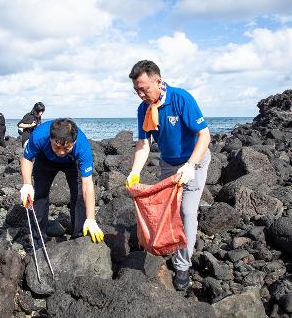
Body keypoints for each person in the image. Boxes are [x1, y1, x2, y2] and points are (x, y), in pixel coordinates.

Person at [125, 60, 211, 291]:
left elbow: (204, 135)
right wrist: (135, 171)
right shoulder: (144, 109)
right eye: (137, 90)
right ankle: (171, 242)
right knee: (169, 210)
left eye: (145, 88)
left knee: (186, 211)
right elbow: (144, 143)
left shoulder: (181, 98)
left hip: (195, 160)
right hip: (169, 164)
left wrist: (191, 164)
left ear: (158, 81)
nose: (141, 94)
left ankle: (183, 265)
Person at [20, 118, 104, 246]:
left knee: (79, 195)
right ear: (50, 139)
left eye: (66, 147)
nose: (61, 152)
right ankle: (38, 240)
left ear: (74, 142)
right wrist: (27, 184)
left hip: (72, 161)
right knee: (40, 195)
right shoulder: (39, 135)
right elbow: (27, 158)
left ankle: (79, 236)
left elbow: (87, 184)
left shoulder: (82, 146)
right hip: (45, 159)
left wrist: (91, 219)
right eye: (57, 146)